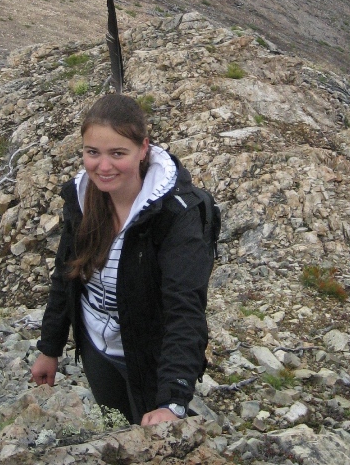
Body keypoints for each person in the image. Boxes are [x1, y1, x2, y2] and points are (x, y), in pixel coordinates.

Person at [30, 93, 214, 425]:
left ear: (143, 149)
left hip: (147, 354)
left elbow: (184, 308)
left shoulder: (175, 215)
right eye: (92, 152)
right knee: (117, 428)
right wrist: (50, 348)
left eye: (118, 153)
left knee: (150, 436)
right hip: (96, 349)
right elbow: (66, 274)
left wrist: (172, 401)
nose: (103, 167)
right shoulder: (82, 198)